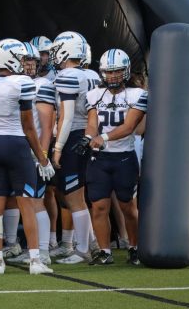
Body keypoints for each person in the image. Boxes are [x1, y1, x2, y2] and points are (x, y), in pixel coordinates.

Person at [0, 38, 55, 275]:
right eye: (21, 58)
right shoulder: (22, 82)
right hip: (15, 144)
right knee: (27, 203)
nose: (25, 63)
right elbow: (28, 127)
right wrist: (42, 158)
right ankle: (34, 260)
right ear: (10, 58)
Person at [85, 48, 147, 266]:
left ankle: (134, 247)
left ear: (126, 71)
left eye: (117, 72)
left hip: (124, 158)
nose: (112, 76)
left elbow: (129, 127)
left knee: (128, 207)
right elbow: (92, 123)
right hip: (99, 160)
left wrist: (102, 137)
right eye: (108, 72)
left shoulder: (137, 95)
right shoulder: (94, 95)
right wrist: (88, 136)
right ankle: (104, 252)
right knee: (99, 206)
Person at [48, 31, 100, 265]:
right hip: (89, 135)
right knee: (77, 194)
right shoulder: (92, 74)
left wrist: (57, 147)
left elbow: (66, 117)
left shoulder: (67, 75)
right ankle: (92, 243)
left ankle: (83, 250)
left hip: (73, 135)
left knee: (74, 195)